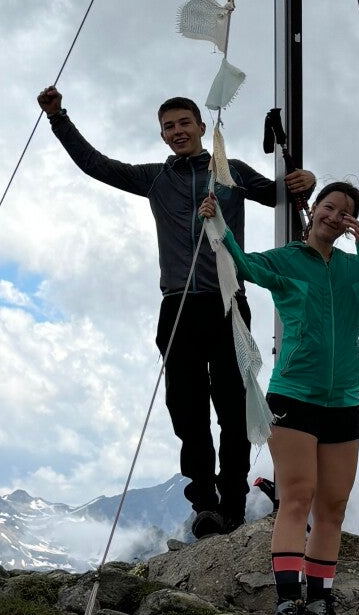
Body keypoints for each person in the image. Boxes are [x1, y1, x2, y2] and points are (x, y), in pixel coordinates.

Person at [36, 84, 313, 538]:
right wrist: (58, 117)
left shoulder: (231, 172)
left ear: (202, 127)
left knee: (234, 409)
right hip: (178, 306)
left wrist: (307, 181)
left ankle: (234, 506)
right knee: (187, 411)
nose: (178, 131)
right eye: (169, 126)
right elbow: (95, 164)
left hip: (228, 301)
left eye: (185, 123)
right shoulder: (155, 179)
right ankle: (205, 507)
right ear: (162, 135)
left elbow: (282, 195)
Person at [201, 178, 359, 615]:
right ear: (315, 209)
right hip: (293, 395)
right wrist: (218, 222)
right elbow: (245, 265)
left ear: (350, 223)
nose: (335, 216)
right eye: (330, 206)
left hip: (343, 399)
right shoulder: (288, 259)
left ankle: (321, 607)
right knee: (297, 498)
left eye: (346, 212)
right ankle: (288, 609)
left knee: (333, 507)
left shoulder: (352, 266)